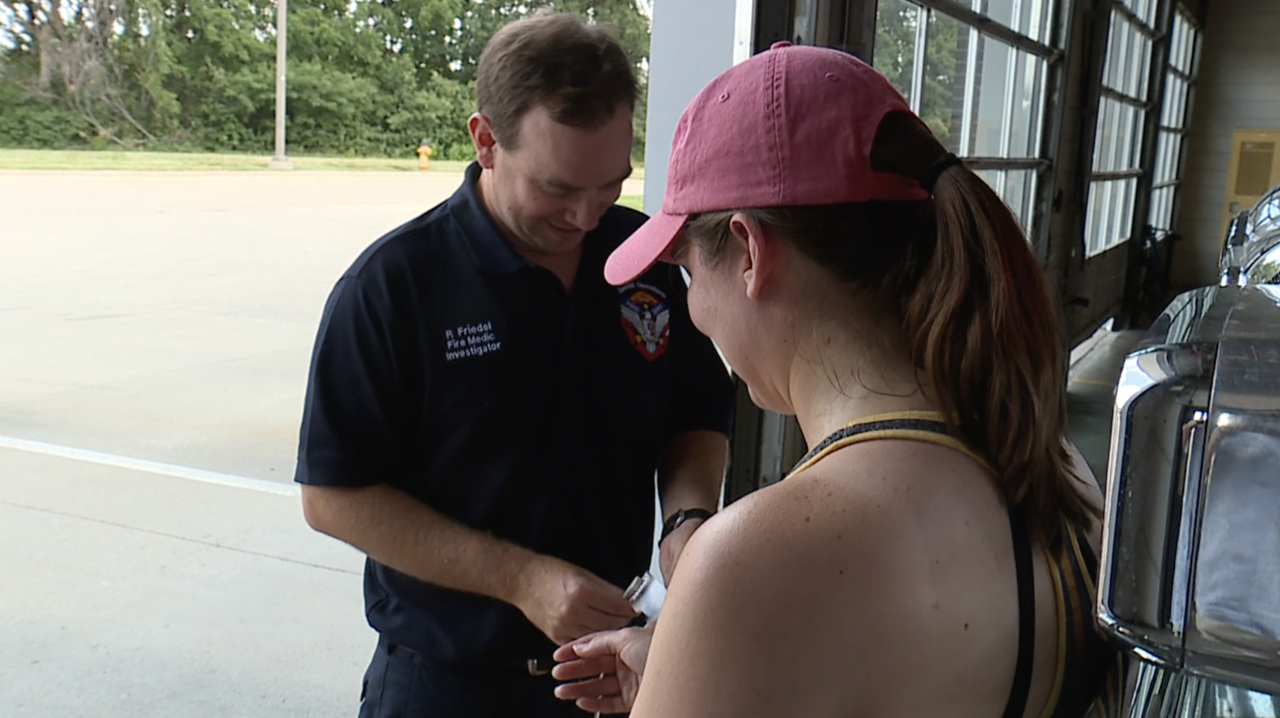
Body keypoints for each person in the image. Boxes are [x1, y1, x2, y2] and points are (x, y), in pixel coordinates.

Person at [552, 42, 1123, 718]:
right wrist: (695, 670)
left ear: (750, 254)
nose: (695, 310)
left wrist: (702, 648)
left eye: (687, 272)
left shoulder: (755, 562)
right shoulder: (1050, 463)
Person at [293, 12, 734, 718]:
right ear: (486, 141)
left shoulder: (641, 261)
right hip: (448, 683)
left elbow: (695, 413)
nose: (589, 217)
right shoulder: (393, 287)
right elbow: (333, 495)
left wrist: (686, 517)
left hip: (614, 673)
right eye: (559, 188)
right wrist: (520, 578)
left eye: (611, 183)